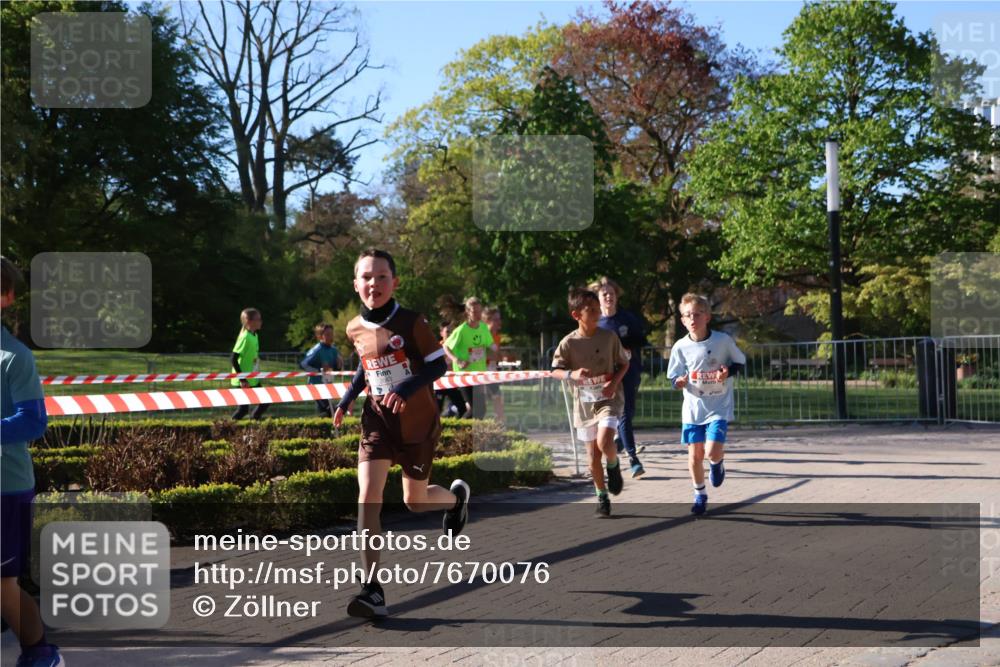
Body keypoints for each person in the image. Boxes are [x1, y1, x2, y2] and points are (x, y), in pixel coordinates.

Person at [333, 249, 470, 618]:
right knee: (368, 496)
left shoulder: (411, 322)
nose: (373, 284)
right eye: (366, 277)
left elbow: (438, 365)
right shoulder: (352, 327)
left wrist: (406, 389)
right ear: (355, 284)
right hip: (377, 421)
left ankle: (455, 501)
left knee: (415, 501)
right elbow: (366, 366)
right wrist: (346, 400)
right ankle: (372, 589)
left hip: (417, 423)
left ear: (394, 282)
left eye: (381, 277)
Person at [1, 257, 64, 667]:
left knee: (1, 581)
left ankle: (41, 654)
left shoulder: (15, 356)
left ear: (6, 297)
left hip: (5, 485)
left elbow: (33, 421)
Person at [550, 287, 629, 518]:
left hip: (608, 398)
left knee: (605, 442)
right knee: (593, 457)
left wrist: (614, 383)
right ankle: (602, 498)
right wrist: (570, 375)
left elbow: (624, 364)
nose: (597, 313)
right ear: (576, 315)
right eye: (591, 310)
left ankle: (613, 466)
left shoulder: (609, 337)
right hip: (584, 403)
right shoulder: (568, 343)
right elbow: (555, 370)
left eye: (598, 309)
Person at [666, 293, 746, 516]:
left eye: (697, 314)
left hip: (718, 407)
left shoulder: (722, 341)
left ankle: (717, 463)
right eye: (687, 315)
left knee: (711, 451)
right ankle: (700, 495)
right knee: (694, 457)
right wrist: (678, 382)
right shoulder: (680, 347)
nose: (693, 319)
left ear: (707, 316)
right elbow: (672, 376)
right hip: (693, 409)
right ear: (682, 320)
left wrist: (727, 371)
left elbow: (741, 361)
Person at [591, 277, 648, 478]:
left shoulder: (627, 318)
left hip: (630, 371)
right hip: (608, 376)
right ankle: (633, 460)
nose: (608, 296)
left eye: (611, 293)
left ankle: (620, 443)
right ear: (598, 297)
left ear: (616, 297)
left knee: (629, 413)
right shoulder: (595, 321)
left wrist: (626, 346)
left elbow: (642, 339)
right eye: (604, 293)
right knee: (622, 415)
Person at [443, 297, 491, 419]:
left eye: (480, 311)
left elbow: (490, 346)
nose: (478, 315)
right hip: (464, 374)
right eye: (475, 312)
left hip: (479, 373)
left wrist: (497, 352)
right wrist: (456, 360)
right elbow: (446, 346)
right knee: (475, 409)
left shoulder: (484, 328)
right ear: (468, 312)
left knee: (481, 410)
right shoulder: (461, 330)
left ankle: (468, 435)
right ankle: (459, 431)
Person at [230, 307, 269, 420]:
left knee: (265, 401)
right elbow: (233, 359)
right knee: (243, 410)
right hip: (243, 380)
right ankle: (227, 429)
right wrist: (242, 379)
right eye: (258, 319)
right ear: (249, 321)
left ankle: (253, 424)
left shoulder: (254, 335)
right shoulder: (245, 337)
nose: (261, 321)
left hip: (252, 378)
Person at [301, 322, 342, 417]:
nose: (331, 337)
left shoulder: (334, 350)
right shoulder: (317, 350)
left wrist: (338, 365)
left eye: (332, 334)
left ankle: (326, 430)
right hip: (316, 387)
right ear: (320, 336)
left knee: (328, 413)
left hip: (328, 385)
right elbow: (303, 364)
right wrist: (318, 371)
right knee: (330, 411)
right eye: (327, 334)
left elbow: (334, 369)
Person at [435, 321, 467, 418]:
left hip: (452, 383)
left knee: (462, 408)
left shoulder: (457, 347)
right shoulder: (436, 348)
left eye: (452, 332)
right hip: (439, 384)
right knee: (437, 410)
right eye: (447, 331)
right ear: (441, 333)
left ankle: (455, 427)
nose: (450, 334)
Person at [483, 306, 505, 424]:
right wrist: (497, 356)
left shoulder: (497, 336)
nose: (499, 322)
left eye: (499, 319)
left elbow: (496, 356)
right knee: (478, 406)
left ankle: (499, 425)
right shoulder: (483, 334)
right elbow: (486, 355)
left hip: (492, 372)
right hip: (481, 373)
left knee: (498, 400)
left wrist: (499, 356)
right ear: (487, 320)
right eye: (496, 319)